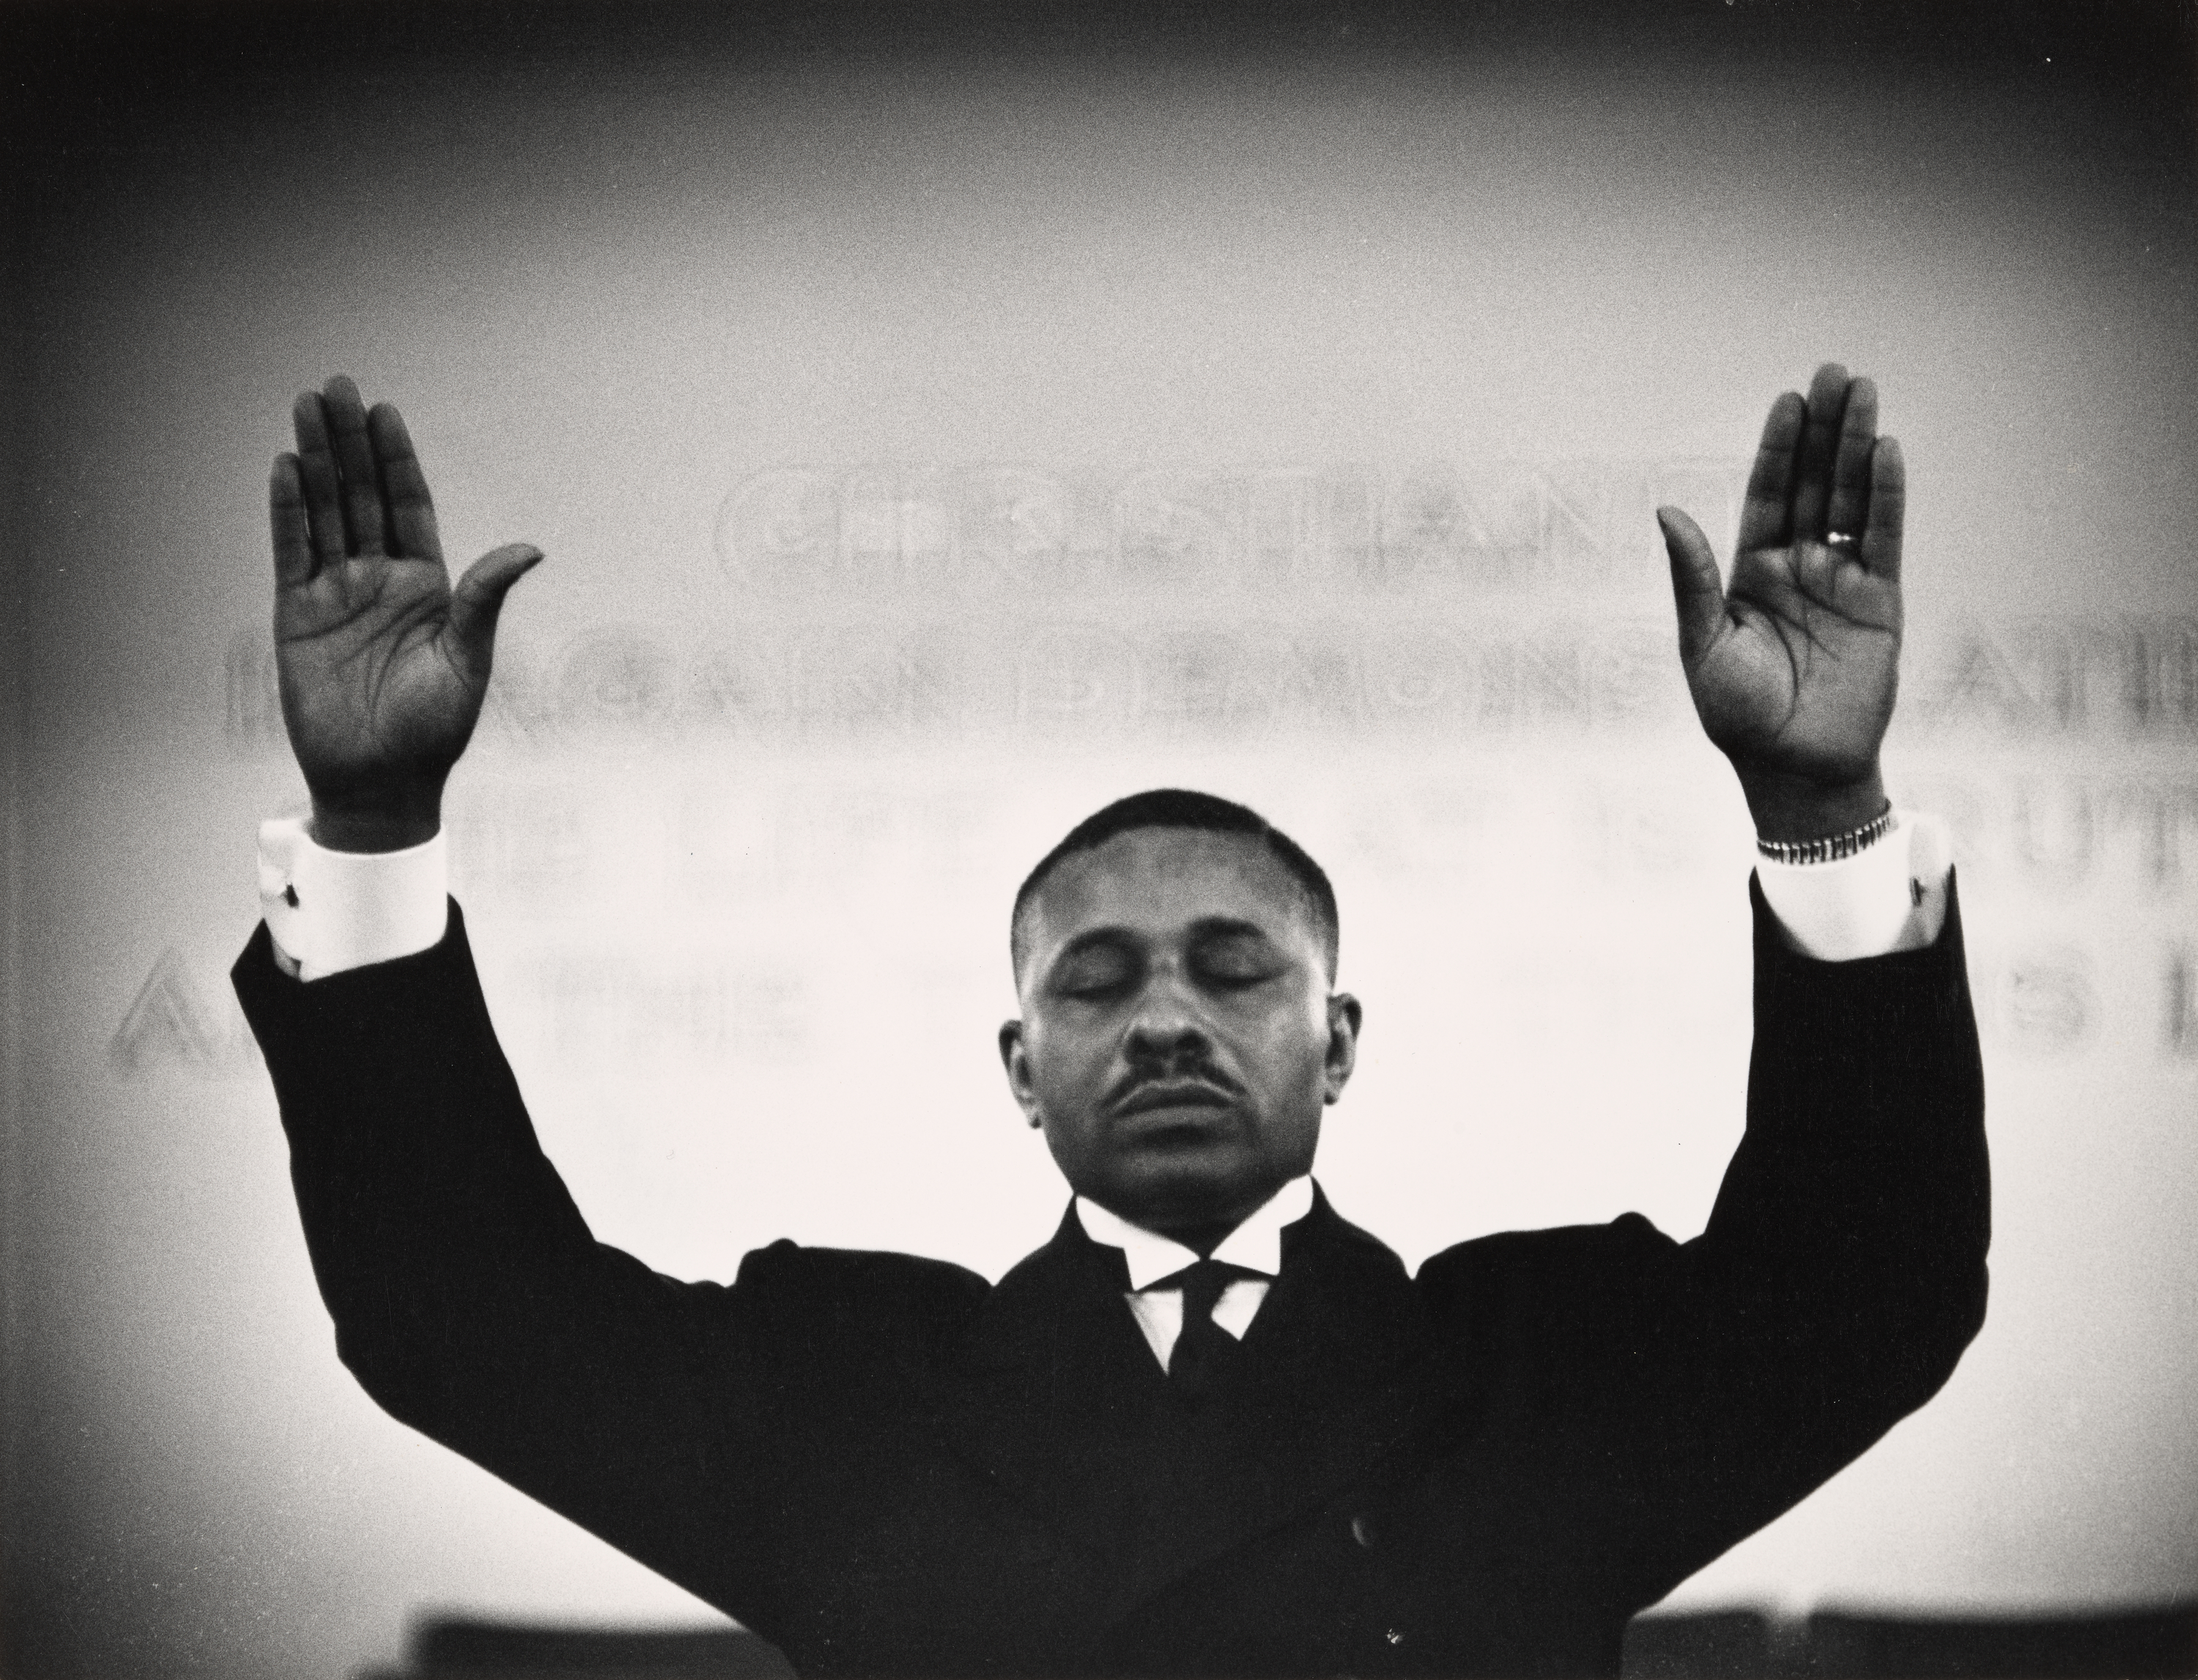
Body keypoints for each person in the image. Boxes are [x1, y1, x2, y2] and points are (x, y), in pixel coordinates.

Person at [234, 365, 1988, 1678]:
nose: (1163, 1015)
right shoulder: (849, 1383)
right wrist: (376, 833)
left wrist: (1819, 799)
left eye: (1233, 967)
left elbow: (1866, 1297)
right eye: (1096, 977)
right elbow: (460, 1322)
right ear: (1018, 1065)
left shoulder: (1534, 1364)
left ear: (1342, 1040)